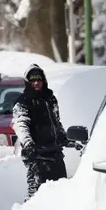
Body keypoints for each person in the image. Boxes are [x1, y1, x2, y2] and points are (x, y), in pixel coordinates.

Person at [12, 64, 72, 200]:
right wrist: (28, 144)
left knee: (62, 196)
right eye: (33, 80)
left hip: (56, 155)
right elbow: (21, 124)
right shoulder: (23, 102)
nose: (36, 83)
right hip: (37, 158)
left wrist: (63, 137)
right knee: (36, 199)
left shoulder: (50, 99)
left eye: (39, 80)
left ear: (44, 81)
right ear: (28, 82)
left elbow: (56, 122)